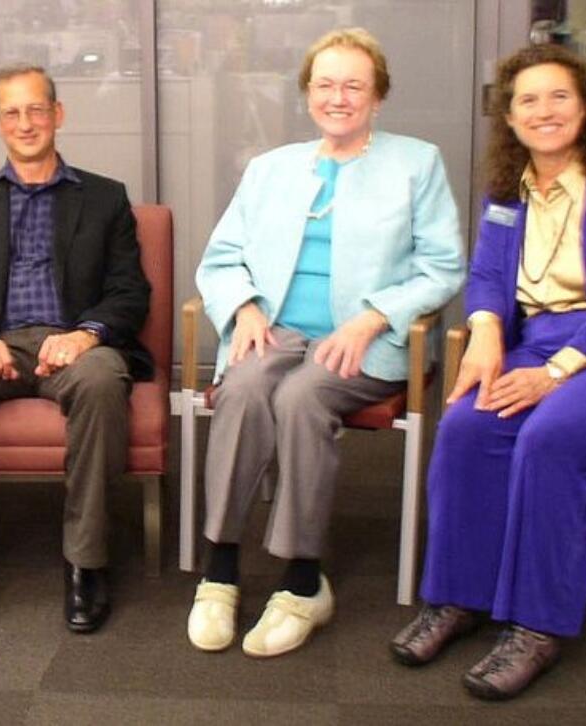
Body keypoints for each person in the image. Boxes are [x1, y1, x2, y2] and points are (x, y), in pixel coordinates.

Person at [389, 44, 586, 699]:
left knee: (549, 435)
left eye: (559, 95)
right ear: (510, 116)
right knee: (468, 424)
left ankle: (536, 625)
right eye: (528, 99)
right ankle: (458, 598)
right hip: (540, 343)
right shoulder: (509, 191)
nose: (544, 110)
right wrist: (487, 331)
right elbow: (490, 276)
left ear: (584, 107)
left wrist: (553, 374)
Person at [190, 28, 465, 658]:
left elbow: (444, 267)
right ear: (307, 93)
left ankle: (302, 580)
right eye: (325, 85)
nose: (337, 97)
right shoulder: (270, 168)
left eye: (353, 85)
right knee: (243, 387)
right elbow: (222, 258)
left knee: (301, 398)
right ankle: (221, 566)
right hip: (279, 330)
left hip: (363, 342)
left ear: (377, 96)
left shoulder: (415, 163)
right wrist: (247, 306)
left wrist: (374, 317)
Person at [0, 63, 151, 635]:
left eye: (36, 109)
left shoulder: (105, 197)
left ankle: (86, 562)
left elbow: (129, 291)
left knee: (98, 383)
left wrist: (86, 333)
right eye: (12, 112)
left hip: (77, 343)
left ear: (58, 115)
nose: (26, 122)